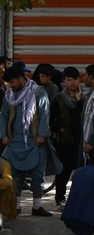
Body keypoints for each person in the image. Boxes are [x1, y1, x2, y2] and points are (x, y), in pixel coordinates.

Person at [1, 65, 62, 217]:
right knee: (16, 175)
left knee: (37, 174)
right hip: (16, 141)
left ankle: (37, 206)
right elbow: (4, 116)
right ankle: (16, 207)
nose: (11, 86)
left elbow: (45, 115)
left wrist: (42, 135)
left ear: (21, 78)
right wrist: (4, 135)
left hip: (35, 141)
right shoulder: (9, 95)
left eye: (12, 82)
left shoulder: (38, 92)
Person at [50, 67, 84, 207]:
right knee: (63, 171)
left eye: (75, 79)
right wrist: (60, 128)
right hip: (65, 141)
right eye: (69, 80)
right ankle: (60, 198)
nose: (72, 83)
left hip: (81, 140)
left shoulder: (84, 97)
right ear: (64, 81)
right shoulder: (58, 98)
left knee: (81, 171)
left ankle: (79, 199)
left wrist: (79, 101)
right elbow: (51, 118)